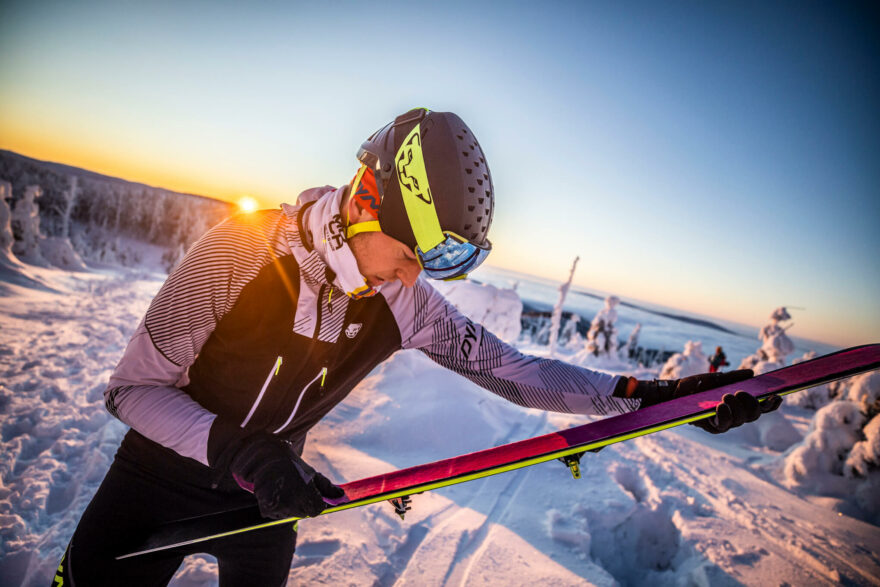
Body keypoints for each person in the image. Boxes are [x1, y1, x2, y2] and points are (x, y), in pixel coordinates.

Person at [54, 108, 779, 586]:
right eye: (407, 255)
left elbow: (515, 371)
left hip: (264, 500)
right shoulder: (239, 253)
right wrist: (237, 446)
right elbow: (131, 389)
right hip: (154, 483)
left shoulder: (400, 302)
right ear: (365, 201)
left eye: (428, 267)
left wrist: (645, 395)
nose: (409, 279)